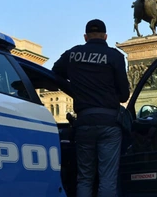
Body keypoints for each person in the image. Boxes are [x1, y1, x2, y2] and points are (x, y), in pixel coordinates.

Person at [52, 19, 130, 197]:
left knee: (85, 177)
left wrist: (75, 90)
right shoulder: (115, 56)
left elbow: (55, 74)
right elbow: (125, 95)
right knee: (107, 178)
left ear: (85, 36)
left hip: (84, 122)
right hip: (109, 123)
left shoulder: (72, 54)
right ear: (105, 36)